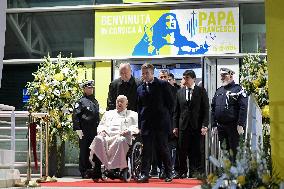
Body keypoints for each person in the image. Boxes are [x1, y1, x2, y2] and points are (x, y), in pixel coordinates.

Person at [136, 63, 174, 183]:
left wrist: (166, 118)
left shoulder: (162, 85)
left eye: (147, 73)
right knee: (146, 150)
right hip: (146, 124)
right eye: (143, 73)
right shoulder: (140, 88)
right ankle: (144, 174)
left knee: (163, 148)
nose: (145, 75)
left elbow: (171, 104)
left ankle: (168, 172)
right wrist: (139, 125)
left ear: (153, 73)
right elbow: (139, 107)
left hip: (161, 124)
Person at [89, 95, 139, 182]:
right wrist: (102, 131)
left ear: (126, 104)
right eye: (118, 101)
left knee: (121, 140)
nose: (119, 103)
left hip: (122, 137)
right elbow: (101, 125)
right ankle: (97, 169)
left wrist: (128, 130)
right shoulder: (108, 113)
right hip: (108, 137)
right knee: (98, 138)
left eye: (122, 101)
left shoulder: (133, 114)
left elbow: (136, 127)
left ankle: (114, 169)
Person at [173, 70, 209, 178]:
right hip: (183, 126)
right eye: (184, 78)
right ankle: (182, 171)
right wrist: (175, 126)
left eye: (187, 78)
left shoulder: (201, 91)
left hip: (197, 126)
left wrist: (204, 125)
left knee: (197, 150)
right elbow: (176, 111)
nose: (185, 80)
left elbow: (206, 110)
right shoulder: (179, 92)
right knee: (182, 150)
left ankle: (196, 172)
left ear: (193, 79)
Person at [211, 68, 248, 162]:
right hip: (221, 127)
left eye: (224, 75)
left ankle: (236, 175)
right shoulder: (219, 90)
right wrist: (214, 124)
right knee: (224, 151)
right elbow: (213, 108)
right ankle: (227, 173)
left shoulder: (238, 89)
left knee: (235, 151)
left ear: (231, 75)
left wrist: (240, 124)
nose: (222, 77)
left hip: (233, 127)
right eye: (221, 76)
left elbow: (243, 107)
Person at [72, 80, 101, 179]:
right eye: (88, 88)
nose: (91, 89)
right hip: (84, 130)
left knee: (92, 150)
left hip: (94, 130)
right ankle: (84, 171)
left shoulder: (95, 101)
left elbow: (97, 116)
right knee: (84, 151)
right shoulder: (81, 101)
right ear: (84, 89)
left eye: (92, 88)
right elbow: (76, 115)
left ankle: (91, 170)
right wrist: (77, 129)